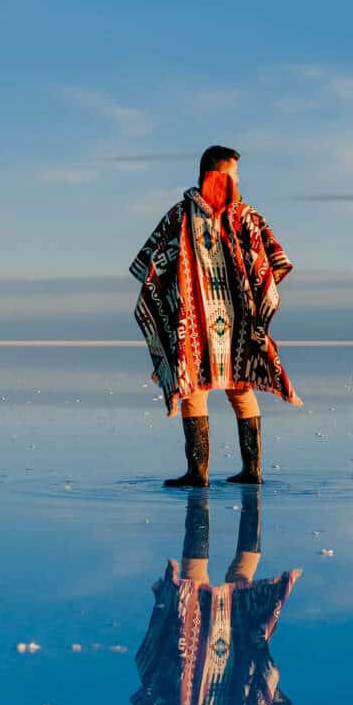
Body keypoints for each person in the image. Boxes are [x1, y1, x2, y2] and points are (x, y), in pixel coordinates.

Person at [129, 145, 302, 487]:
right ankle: (224, 472)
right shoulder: (213, 216)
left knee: (214, 388)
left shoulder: (197, 215)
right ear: (215, 176)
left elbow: (152, 265)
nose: (237, 183)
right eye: (233, 176)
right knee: (222, 387)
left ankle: (212, 473)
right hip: (213, 322)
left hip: (203, 322)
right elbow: (272, 264)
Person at [130, 487, 301, 705]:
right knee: (243, 579)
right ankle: (253, 493)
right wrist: (260, 680)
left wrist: (172, 668)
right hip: (240, 650)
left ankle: (199, 496)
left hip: (192, 648)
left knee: (192, 581)